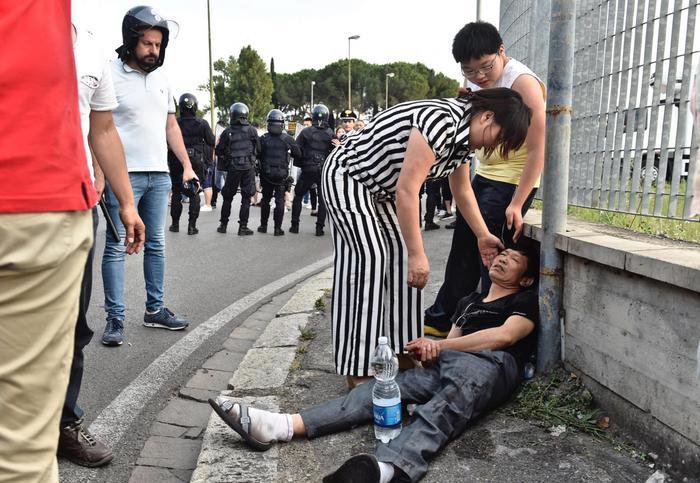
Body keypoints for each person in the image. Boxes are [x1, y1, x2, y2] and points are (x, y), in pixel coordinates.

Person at [208, 244, 539, 483]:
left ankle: (387, 470)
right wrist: (428, 354)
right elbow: (445, 347)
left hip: (490, 364)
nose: (502, 260)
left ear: (525, 279)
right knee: (379, 391)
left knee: (441, 411)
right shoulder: (470, 301)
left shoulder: (524, 299)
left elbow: (505, 337)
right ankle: (280, 426)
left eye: (513, 260)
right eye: (502, 255)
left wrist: (439, 345)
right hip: (451, 363)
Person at [320, 88, 531, 385]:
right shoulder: (441, 120)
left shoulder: (463, 142)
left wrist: (483, 235)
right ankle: (358, 366)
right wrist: (417, 253)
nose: (496, 146)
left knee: (400, 264)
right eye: (499, 137)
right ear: (486, 117)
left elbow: (462, 191)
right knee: (369, 259)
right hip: (350, 175)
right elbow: (408, 189)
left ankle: (404, 351)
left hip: (382, 191)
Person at [1, 2, 95, 480]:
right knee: (19, 457)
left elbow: (105, 128)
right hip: (28, 182)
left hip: (34, 193)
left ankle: (68, 422)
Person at [57, 22, 146, 468]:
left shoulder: (91, 48)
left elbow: (104, 129)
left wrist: (127, 203)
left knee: (72, 326)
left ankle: (64, 424)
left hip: (75, 207)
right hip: (11, 206)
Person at [424, 21, 546, 337]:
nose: (479, 76)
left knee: (489, 260)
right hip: (484, 176)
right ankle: (441, 320)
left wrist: (518, 203)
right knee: (464, 248)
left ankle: (485, 329)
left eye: (485, 67)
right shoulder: (476, 83)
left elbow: (537, 150)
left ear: (502, 51)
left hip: (510, 183)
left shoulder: (523, 84)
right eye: (470, 70)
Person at [101, 5, 197, 346]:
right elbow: (99, 127)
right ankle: (115, 318)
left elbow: (170, 124)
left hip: (159, 175)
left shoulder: (162, 78)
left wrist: (185, 164)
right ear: (131, 41)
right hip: (123, 177)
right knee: (116, 246)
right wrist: (101, 173)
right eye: (147, 44)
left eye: (158, 45)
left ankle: (154, 310)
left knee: (156, 244)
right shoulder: (108, 73)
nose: (153, 51)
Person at [168, 93, 216, 235]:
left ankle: (175, 225)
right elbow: (211, 142)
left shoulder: (175, 123)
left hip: (177, 160)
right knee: (195, 192)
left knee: (176, 192)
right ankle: (191, 226)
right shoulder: (202, 123)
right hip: (196, 160)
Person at [216, 102, 260, 236]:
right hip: (248, 167)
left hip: (233, 167)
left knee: (228, 197)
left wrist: (227, 158)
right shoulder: (252, 130)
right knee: (246, 198)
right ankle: (243, 227)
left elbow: (219, 150)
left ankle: (223, 225)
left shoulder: (227, 132)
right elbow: (259, 149)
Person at [291, 104, 335, 236]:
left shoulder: (306, 132)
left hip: (308, 168)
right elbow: (335, 151)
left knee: (298, 195)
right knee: (322, 199)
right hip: (323, 170)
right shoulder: (331, 133)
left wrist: (302, 161)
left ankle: (295, 226)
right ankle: (319, 229)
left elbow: (296, 150)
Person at [257, 109, 301, 236]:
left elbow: (257, 153)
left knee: (265, 200)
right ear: (282, 123)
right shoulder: (288, 138)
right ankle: (277, 229)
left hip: (266, 174)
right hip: (281, 175)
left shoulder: (263, 138)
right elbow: (298, 154)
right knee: (279, 201)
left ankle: (263, 226)